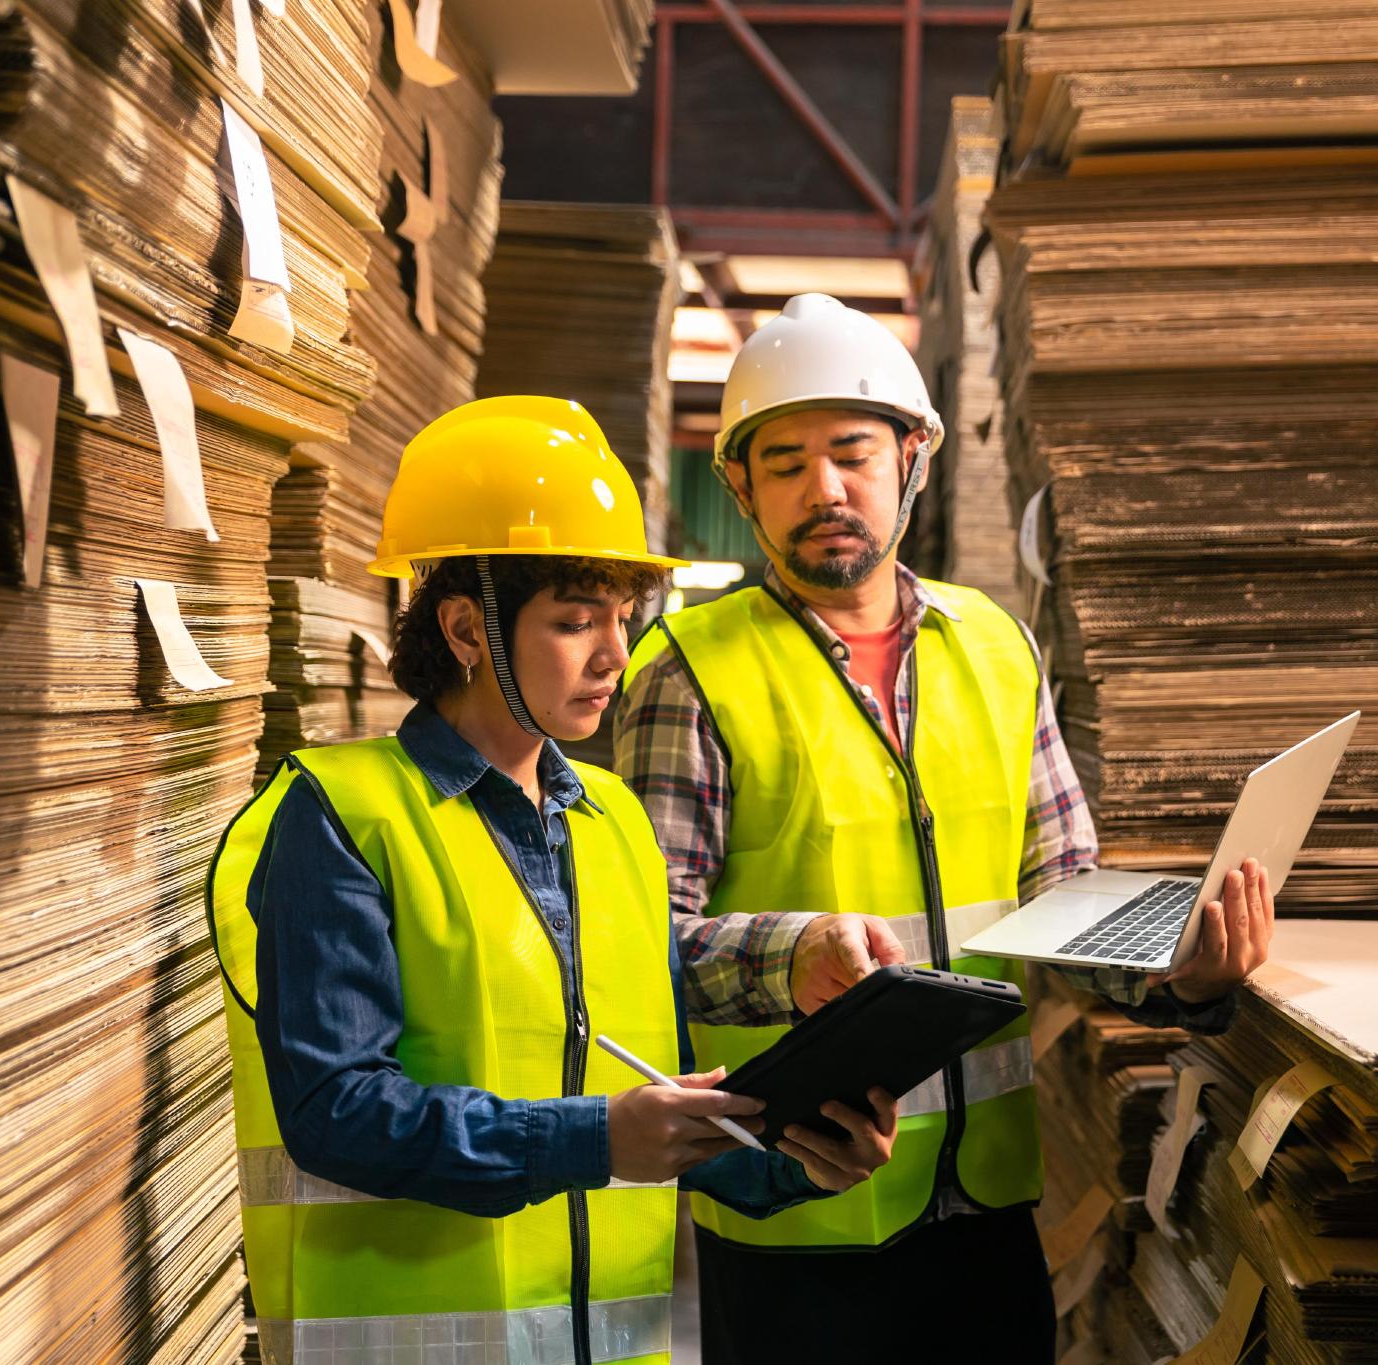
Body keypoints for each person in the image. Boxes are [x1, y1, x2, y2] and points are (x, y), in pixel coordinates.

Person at [616, 295, 1274, 1363]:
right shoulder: (689, 674)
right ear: (736, 486)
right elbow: (637, 947)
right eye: (781, 464)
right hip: (799, 1210)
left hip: (983, 1207)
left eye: (849, 453)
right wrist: (792, 955)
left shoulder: (996, 648)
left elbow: (1059, 890)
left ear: (912, 456)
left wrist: (1179, 965)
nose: (821, 489)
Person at [208, 396, 897, 1365]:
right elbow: (336, 1112)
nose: (615, 654)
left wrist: (793, 1159)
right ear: (462, 628)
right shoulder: (340, 817)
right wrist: (595, 1142)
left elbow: (643, 1101)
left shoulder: (614, 825)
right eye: (576, 622)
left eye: (621, 617)